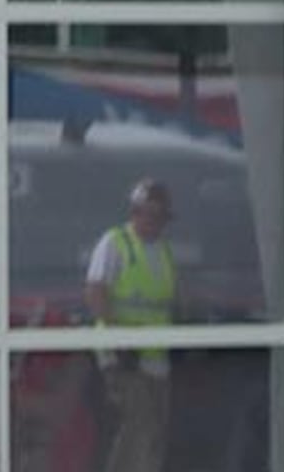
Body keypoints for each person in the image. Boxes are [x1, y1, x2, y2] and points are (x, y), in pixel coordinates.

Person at [84, 178, 182, 472]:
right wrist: (118, 342)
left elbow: (170, 301)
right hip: (124, 358)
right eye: (147, 213)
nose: (153, 222)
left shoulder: (164, 251)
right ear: (135, 212)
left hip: (156, 360)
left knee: (155, 431)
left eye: (159, 216)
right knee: (140, 425)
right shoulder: (115, 243)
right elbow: (95, 292)